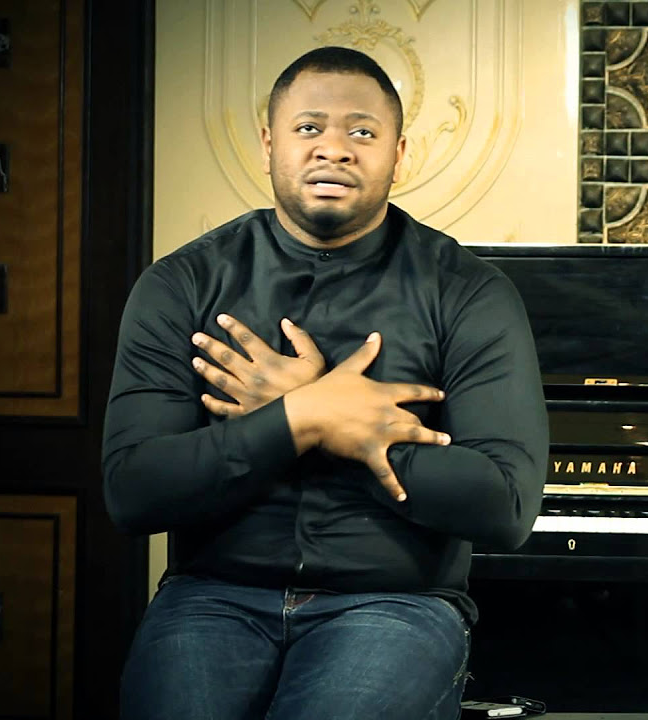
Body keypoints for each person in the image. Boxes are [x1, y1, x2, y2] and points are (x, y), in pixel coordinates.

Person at [102, 46, 548, 720]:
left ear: (399, 155)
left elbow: (505, 507)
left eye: (362, 132)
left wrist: (344, 433)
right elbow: (133, 492)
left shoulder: (470, 292)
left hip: (398, 603)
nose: (333, 148)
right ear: (269, 145)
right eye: (309, 127)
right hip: (212, 595)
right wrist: (303, 415)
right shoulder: (180, 284)